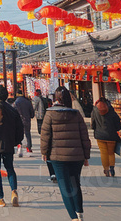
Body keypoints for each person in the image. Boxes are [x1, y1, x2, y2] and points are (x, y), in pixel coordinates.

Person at [40, 86, 91, 221]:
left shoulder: (50, 114)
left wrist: (44, 152)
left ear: (56, 98)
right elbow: (84, 136)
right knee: (75, 184)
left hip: (57, 156)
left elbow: (45, 135)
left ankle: (73, 217)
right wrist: (86, 156)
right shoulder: (76, 114)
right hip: (77, 156)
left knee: (64, 186)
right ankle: (79, 213)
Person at [92, 97, 121, 177]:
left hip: (99, 135)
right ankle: (112, 169)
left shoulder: (95, 110)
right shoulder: (111, 110)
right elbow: (117, 122)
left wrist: (95, 128)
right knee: (111, 153)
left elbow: (92, 123)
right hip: (111, 135)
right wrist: (117, 129)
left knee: (103, 153)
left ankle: (106, 170)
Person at [12, 92, 35, 156]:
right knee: (27, 134)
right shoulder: (28, 102)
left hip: (18, 121)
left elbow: (13, 112)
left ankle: (20, 147)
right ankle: (29, 148)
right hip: (27, 120)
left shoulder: (15, 103)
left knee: (19, 134)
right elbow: (32, 114)